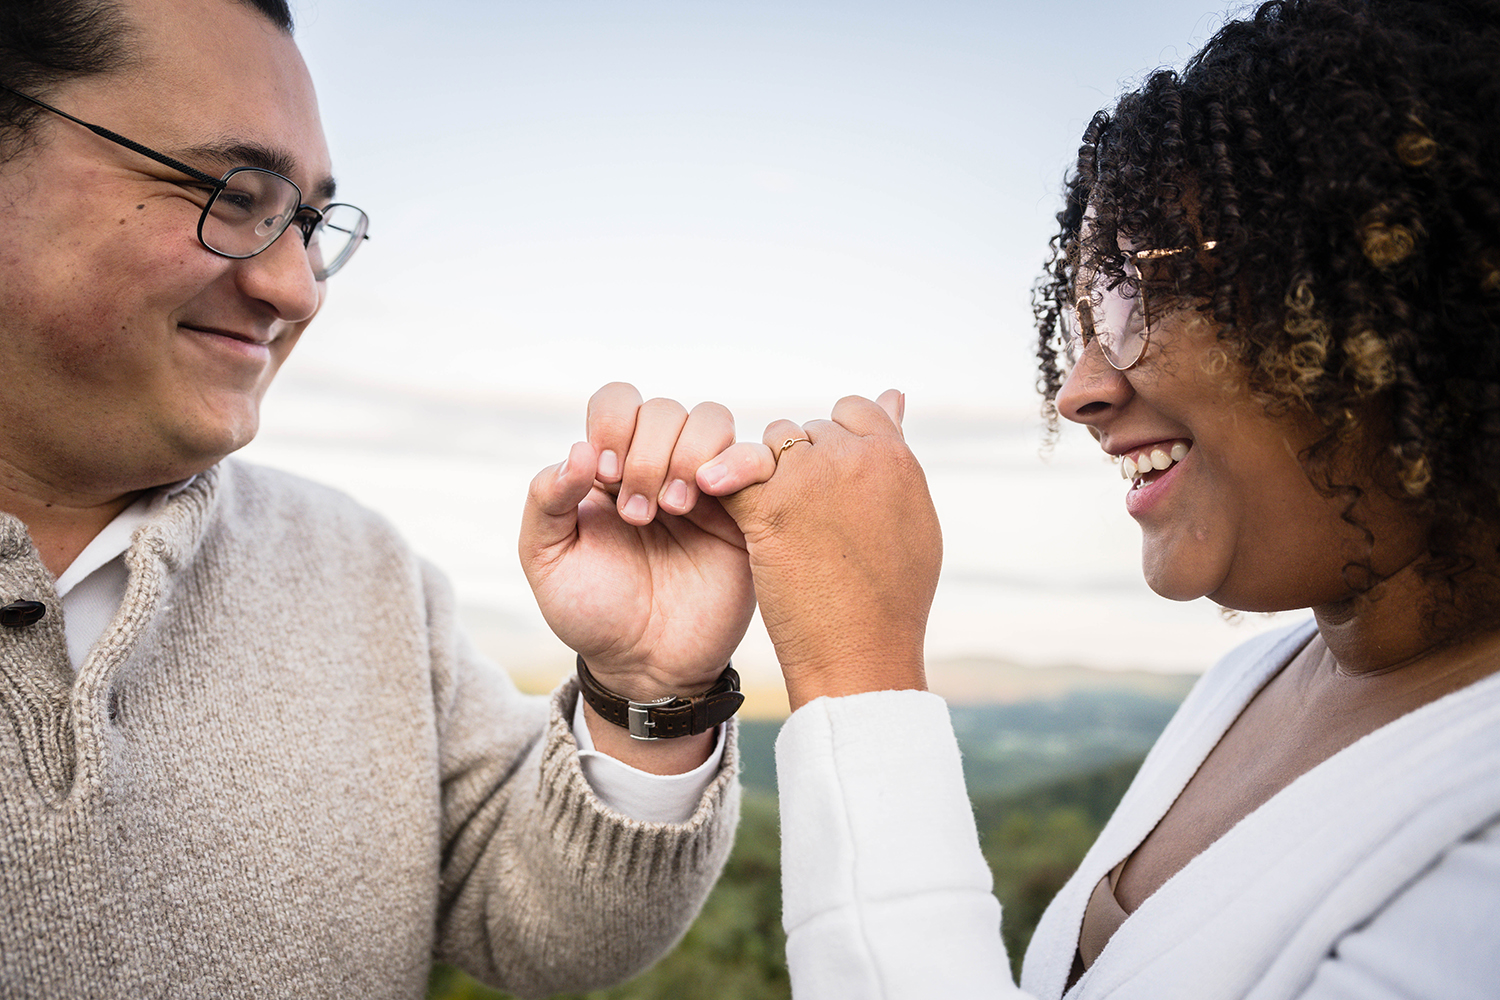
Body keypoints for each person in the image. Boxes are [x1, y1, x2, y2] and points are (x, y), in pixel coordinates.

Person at [695, 0, 1500, 996]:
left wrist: (858, 669)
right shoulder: (1245, 683)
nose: (1078, 389)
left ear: (1411, 301)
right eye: (1085, 309)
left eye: (1146, 290)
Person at [0, 0, 749, 995]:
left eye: (307, 221)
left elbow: (548, 928)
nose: (299, 287)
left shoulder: (361, 572)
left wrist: (648, 689)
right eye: (234, 193)